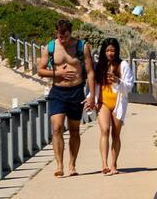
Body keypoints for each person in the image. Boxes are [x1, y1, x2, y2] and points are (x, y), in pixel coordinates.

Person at [37, 19, 93, 178]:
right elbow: (40, 70)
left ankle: (72, 165)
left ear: (71, 32)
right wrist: (58, 73)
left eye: (66, 36)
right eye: (61, 36)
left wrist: (92, 96)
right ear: (57, 33)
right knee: (57, 128)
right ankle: (59, 165)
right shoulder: (50, 47)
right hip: (58, 93)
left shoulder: (82, 46)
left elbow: (90, 72)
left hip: (76, 92)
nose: (64, 40)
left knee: (75, 130)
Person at [93, 38, 135, 176]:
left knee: (115, 134)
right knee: (104, 130)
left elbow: (129, 86)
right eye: (107, 50)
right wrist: (91, 98)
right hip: (103, 102)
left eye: (112, 50)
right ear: (103, 52)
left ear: (116, 51)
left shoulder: (123, 65)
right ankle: (104, 164)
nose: (110, 53)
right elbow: (92, 84)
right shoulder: (99, 66)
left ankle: (113, 164)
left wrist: (118, 80)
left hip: (118, 103)